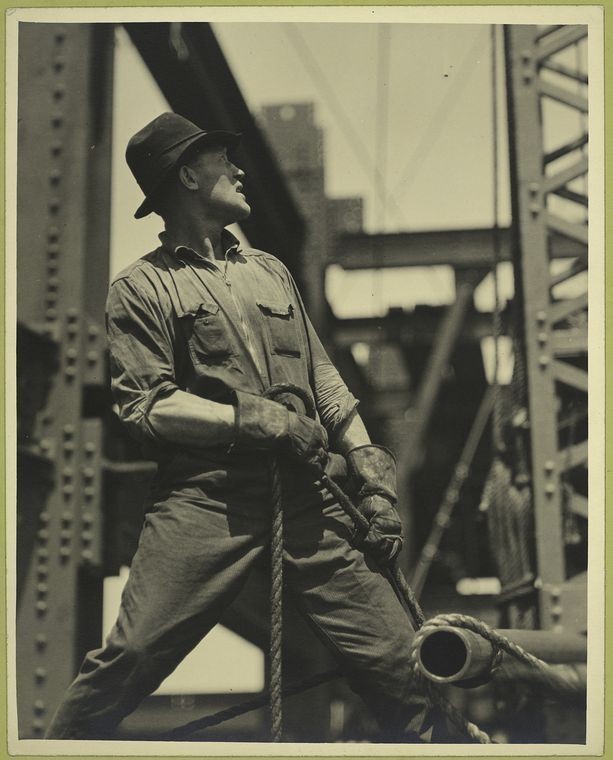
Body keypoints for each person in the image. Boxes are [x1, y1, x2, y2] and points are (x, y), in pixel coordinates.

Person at [45, 112, 446, 742]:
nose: (238, 169)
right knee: (129, 658)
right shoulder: (141, 288)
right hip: (206, 499)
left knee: (406, 667)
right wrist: (255, 420)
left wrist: (372, 475)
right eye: (221, 160)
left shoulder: (271, 270)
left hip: (308, 494)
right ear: (187, 175)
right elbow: (146, 407)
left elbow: (327, 385)